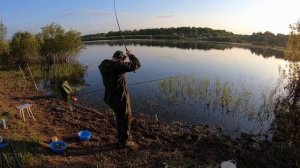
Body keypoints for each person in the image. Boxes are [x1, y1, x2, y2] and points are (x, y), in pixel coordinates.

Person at [99, 50, 141, 148]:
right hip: (120, 98)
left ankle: (120, 138)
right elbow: (137, 65)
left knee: (119, 117)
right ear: (121, 59)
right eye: (122, 60)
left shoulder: (104, 64)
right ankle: (125, 141)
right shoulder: (118, 66)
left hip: (110, 98)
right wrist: (130, 55)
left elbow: (114, 63)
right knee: (126, 118)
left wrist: (122, 60)